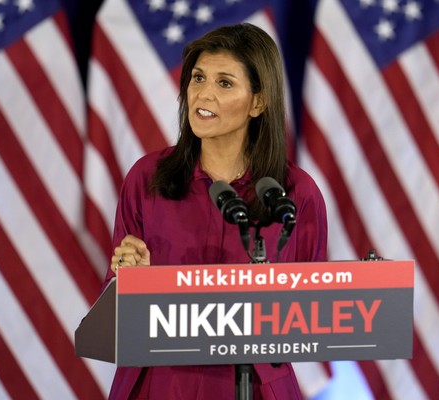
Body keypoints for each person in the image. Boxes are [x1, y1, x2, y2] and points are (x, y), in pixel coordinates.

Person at [103, 22, 328, 399]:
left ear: (258, 102)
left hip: (255, 387)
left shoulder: (295, 194)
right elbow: (113, 312)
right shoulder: (147, 178)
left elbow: (316, 316)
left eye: (224, 83)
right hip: (160, 384)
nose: (203, 94)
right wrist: (128, 279)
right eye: (198, 78)